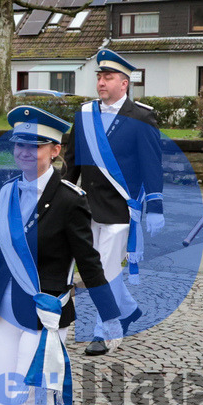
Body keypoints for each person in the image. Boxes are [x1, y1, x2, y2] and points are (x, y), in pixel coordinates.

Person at [0, 106, 123, 405]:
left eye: (34, 144)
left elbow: (88, 259)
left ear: (55, 149)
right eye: (18, 144)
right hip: (7, 310)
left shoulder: (69, 199)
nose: (23, 151)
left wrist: (110, 314)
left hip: (45, 318)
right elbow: (3, 255)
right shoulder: (6, 194)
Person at [63, 49, 163, 355]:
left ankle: (105, 329)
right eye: (99, 77)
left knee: (103, 270)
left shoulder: (142, 117)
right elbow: (72, 162)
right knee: (93, 265)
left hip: (122, 208)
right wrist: (61, 196)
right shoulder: (84, 114)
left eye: (108, 77)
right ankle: (128, 309)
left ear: (124, 83)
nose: (101, 83)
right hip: (86, 206)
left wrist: (155, 206)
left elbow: (151, 165)